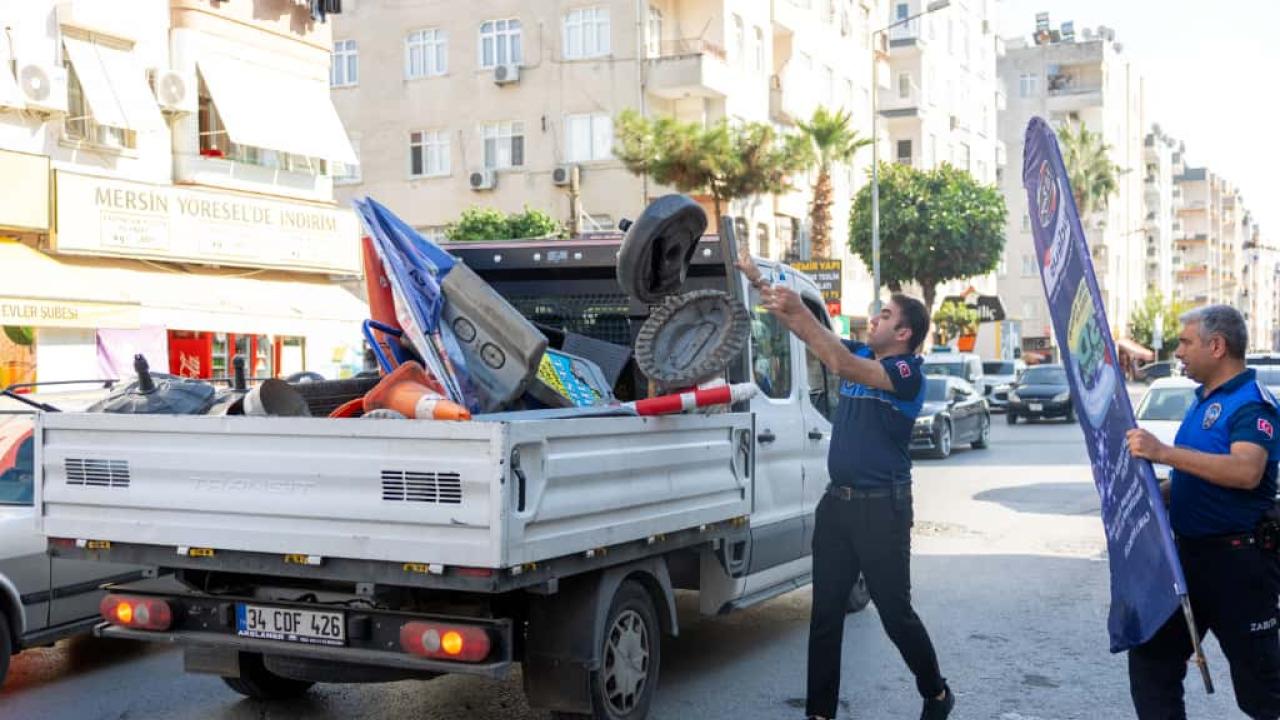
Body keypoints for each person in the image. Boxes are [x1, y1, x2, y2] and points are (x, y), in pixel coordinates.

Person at [747, 270, 952, 720]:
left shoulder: (906, 373)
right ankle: (820, 713)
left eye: (884, 315)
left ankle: (936, 692)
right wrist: (764, 287)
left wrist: (798, 309)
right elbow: (817, 337)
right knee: (825, 617)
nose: (872, 320)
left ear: (904, 333)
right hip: (836, 506)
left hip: (883, 509)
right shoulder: (860, 353)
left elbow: (837, 361)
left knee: (895, 614)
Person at [1126, 305, 1280, 719]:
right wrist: (1165, 492)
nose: (1177, 351)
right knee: (1152, 661)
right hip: (1189, 561)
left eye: (1185, 342)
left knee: (1262, 691)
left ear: (1216, 346)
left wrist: (1163, 453)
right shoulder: (1202, 401)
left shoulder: (1252, 405)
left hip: (1239, 565)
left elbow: (1247, 472)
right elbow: (1203, 471)